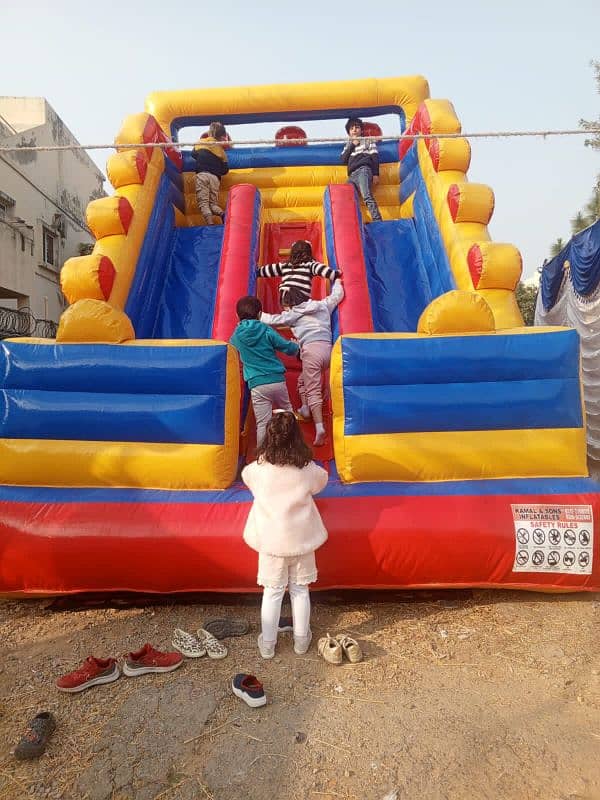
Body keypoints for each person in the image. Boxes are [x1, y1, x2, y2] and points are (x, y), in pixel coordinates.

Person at [241, 411, 329, 659]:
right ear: (297, 438)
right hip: (301, 541)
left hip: (271, 543)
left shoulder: (259, 470)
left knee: (272, 591)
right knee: (300, 590)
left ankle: (268, 644)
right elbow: (322, 481)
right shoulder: (306, 469)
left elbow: (246, 476)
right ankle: (302, 641)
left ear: (269, 437)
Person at [261, 280, 344, 446]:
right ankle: (305, 408)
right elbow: (337, 296)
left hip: (311, 352)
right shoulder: (322, 305)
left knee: (312, 389)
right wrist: (338, 282)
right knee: (302, 380)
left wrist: (256, 314)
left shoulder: (292, 314)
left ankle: (320, 427)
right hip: (329, 351)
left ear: (290, 304)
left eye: (285, 306)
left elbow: (271, 320)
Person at [230, 295, 299, 446]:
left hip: (257, 384)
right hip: (276, 380)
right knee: (288, 414)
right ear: (260, 314)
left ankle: (262, 456)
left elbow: (231, 352)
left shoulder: (235, 337)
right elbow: (285, 346)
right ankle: (293, 447)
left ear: (237, 315)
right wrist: (295, 347)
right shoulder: (266, 330)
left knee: (262, 423)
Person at [257, 240, 340, 305]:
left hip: (284, 295)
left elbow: (270, 269)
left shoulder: (285, 265)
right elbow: (323, 270)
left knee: (292, 312)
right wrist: (335, 274)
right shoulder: (310, 265)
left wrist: (258, 272)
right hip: (300, 296)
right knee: (302, 312)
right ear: (309, 253)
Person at [341, 117, 382, 222]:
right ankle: (352, 221)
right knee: (347, 196)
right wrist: (352, 145)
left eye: (357, 127)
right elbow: (343, 160)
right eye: (352, 128)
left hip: (363, 170)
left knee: (366, 195)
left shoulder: (367, 140)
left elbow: (375, 157)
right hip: (352, 175)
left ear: (361, 130)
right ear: (349, 132)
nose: (354, 129)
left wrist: (376, 174)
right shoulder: (347, 145)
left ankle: (377, 220)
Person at [192, 121, 229, 225]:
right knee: (213, 204)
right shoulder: (221, 150)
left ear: (209, 133)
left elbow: (193, 154)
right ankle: (223, 215)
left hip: (202, 175)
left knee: (203, 203)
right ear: (222, 136)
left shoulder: (200, 143)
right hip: (215, 178)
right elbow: (225, 169)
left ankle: (210, 224)